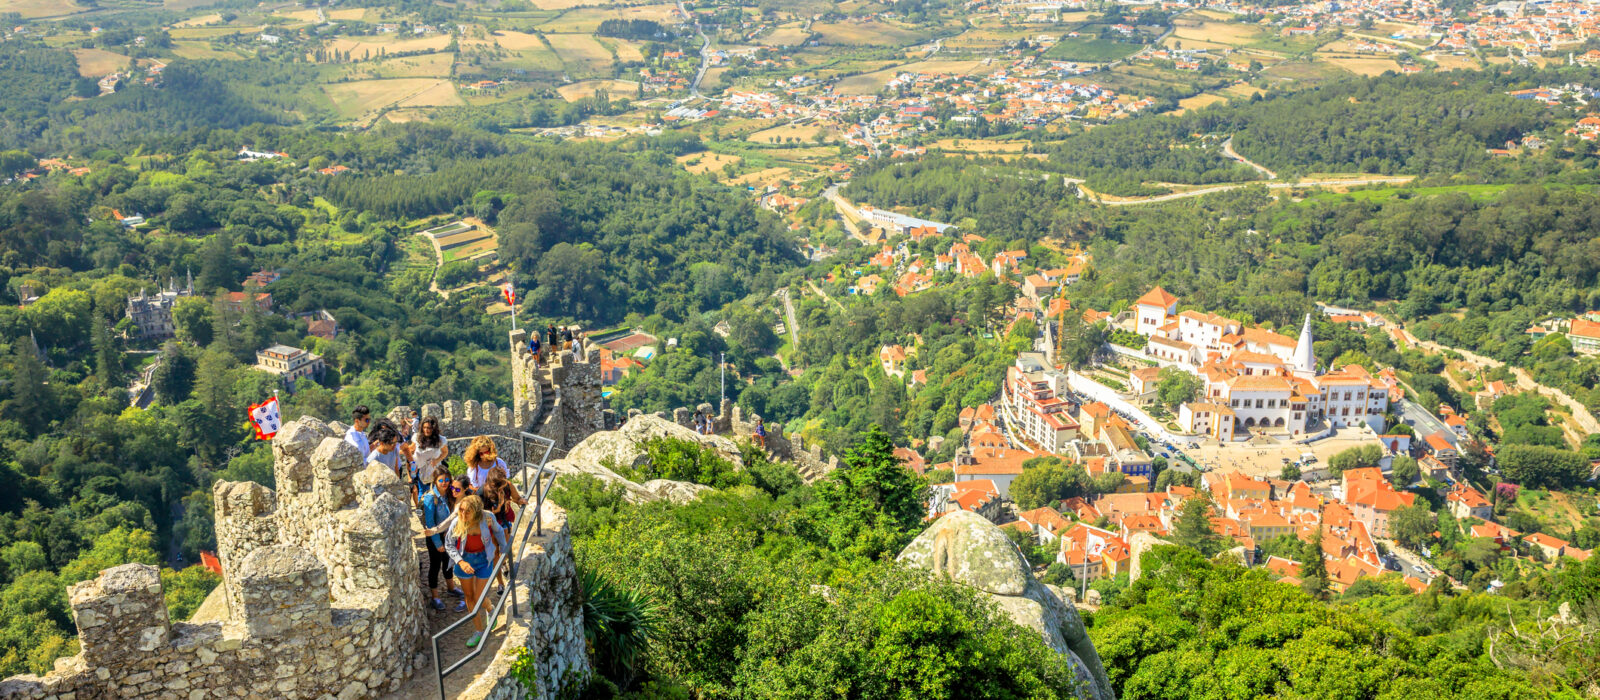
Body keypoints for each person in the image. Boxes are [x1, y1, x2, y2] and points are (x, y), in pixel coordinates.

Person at [423, 495, 507, 649]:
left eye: (466, 511)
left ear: (476, 511)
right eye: (461, 510)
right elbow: (449, 544)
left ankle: (490, 609)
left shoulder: (487, 518)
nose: (462, 514)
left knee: (479, 596)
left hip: (484, 559)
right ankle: (479, 631)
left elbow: (499, 531)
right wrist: (461, 562)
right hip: (464, 560)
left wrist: (504, 548)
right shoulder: (457, 522)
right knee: (469, 597)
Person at [420, 471, 465, 610]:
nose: (444, 483)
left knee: (448, 562)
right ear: (435, 481)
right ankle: (435, 597)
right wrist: (438, 543)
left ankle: (451, 588)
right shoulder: (430, 498)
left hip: (447, 535)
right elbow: (430, 523)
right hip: (435, 536)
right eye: (441, 480)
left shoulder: (449, 495)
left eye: (447, 479)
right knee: (435, 565)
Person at [413, 416, 449, 503]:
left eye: (429, 428)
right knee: (422, 493)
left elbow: (445, 452)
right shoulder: (417, 438)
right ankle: (422, 513)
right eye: (424, 427)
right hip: (421, 470)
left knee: (436, 493)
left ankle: (435, 513)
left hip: (435, 470)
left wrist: (437, 460)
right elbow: (411, 450)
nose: (426, 430)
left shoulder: (440, 440)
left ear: (434, 428)